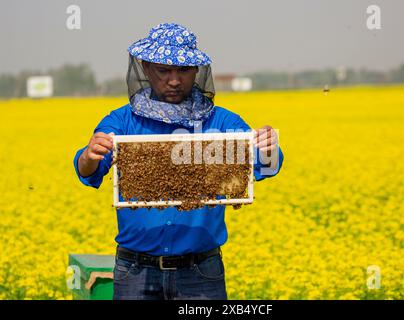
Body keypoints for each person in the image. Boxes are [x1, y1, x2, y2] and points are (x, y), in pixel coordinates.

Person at [73, 22, 284, 300]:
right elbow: (88, 170)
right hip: (135, 270)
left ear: (196, 70)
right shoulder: (122, 121)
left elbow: (266, 165)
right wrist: (89, 155)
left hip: (201, 271)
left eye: (183, 70)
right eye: (164, 71)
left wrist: (268, 147)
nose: (174, 80)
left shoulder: (221, 121)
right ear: (146, 68)